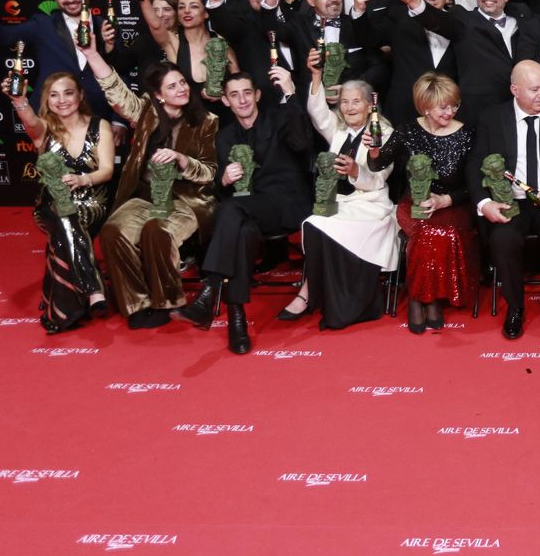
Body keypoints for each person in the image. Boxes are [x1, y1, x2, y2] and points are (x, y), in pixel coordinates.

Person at [174, 72, 313, 354]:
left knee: (232, 211)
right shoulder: (224, 137)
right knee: (240, 231)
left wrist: (291, 94)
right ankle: (236, 320)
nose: (242, 100)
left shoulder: (279, 117)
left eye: (247, 92)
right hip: (248, 212)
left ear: (258, 95)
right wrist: (223, 181)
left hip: (286, 203)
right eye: (235, 95)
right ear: (225, 101)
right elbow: (225, 193)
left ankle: (210, 289)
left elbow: (302, 142)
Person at [87, 50, 219, 330]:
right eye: (172, 86)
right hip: (146, 195)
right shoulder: (147, 110)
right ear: (158, 95)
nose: (182, 89)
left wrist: (182, 160)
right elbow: (115, 90)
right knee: (113, 231)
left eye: (182, 82)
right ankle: (137, 303)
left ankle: (169, 301)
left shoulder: (206, 121)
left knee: (157, 230)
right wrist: (90, 53)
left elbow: (210, 172)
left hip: (188, 199)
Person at [467, 61, 540, 339]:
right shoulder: (492, 117)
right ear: (515, 90)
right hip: (509, 200)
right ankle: (515, 308)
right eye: (534, 89)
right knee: (503, 241)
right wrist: (484, 204)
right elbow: (475, 163)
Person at [368, 72, 479, 334]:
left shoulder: (467, 134)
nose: (450, 112)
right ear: (426, 106)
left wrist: (445, 200)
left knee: (441, 231)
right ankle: (427, 300)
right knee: (425, 230)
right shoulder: (407, 130)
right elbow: (377, 164)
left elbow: (475, 184)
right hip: (415, 202)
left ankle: (420, 297)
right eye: (443, 106)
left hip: (454, 203)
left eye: (454, 105)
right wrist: (374, 150)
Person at [287, 75, 399, 330]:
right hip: (340, 203)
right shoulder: (338, 130)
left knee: (322, 225)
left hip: (370, 205)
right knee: (314, 224)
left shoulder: (385, 134)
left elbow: (378, 179)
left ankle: (322, 296)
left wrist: (355, 171)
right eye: (345, 102)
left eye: (355, 102)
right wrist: (315, 75)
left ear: (370, 104)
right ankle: (316, 293)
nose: (349, 107)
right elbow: (317, 112)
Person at [6, 72, 114, 333]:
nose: (62, 100)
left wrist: (83, 179)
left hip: (92, 203)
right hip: (51, 205)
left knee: (63, 233)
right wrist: (18, 99)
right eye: (54, 95)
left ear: (80, 95)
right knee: (64, 217)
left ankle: (64, 311)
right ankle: (92, 288)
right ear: (46, 100)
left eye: (68, 92)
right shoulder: (43, 129)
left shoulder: (100, 126)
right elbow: (29, 120)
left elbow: (107, 170)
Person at [0, 0, 122, 140]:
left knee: (102, 168)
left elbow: (121, 73)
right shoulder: (42, 25)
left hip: (99, 118)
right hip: (51, 121)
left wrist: (120, 120)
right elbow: (2, 38)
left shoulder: (107, 26)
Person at [410, 0, 527, 125]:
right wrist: (415, 3)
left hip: (516, 108)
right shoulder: (463, 19)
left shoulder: (522, 20)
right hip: (476, 112)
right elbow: (438, 21)